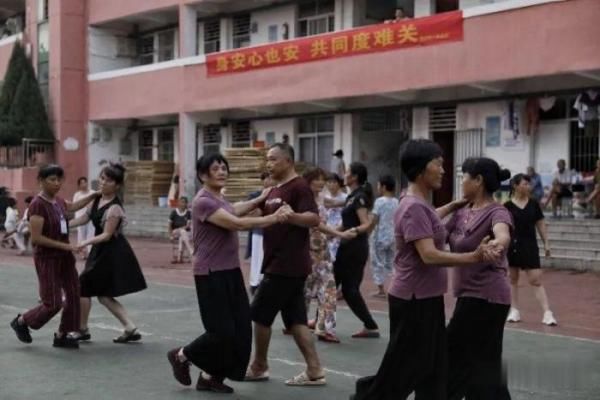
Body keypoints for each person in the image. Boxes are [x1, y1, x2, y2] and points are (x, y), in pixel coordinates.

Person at [351, 140, 499, 400]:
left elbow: (429, 218)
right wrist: (473, 256)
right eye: (438, 164)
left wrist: (453, 206)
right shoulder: (413, 206)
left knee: (433, 369)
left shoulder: (415, 201)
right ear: (421, 169)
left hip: (424, 297)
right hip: (414, 300)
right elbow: (429, 256)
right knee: (404, 371)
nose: (443, 170)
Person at [166, 153, 290, 394]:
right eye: (216, 168)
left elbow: (234, 209)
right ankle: (181, 355)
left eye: (224, 167)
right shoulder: (203, 201)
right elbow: (235, 222)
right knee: (221, 331)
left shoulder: (218, 198)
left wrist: (259, 200)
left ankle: (210, 377)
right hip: (210, 273)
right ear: (203, 175)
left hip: (230, 271)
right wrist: (273, 217)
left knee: (241, 329)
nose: (222, 171)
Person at [246, 143, 326, 386]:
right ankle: (314, 370)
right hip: (279, 263)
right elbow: (257, 214)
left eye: (273, 159)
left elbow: (313, 218)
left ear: (288, 161)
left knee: (260, 315)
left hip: (286, 265)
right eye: (267, 160)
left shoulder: (299, 186)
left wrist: (292, 216)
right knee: (296, 321)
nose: (268, 164)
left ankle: (259, 366)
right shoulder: (272, 190)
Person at [10, 164, 99, 349]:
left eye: (59, 179)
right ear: (41, 181)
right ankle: (21, 321)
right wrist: (66, 245)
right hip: (47, 258)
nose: (57, 183)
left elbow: (73, 206)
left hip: (64, 256)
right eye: (52, 180)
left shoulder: (58, 201)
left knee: (75, 293)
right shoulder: (37, 204)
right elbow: (36, 238)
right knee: (53, 303)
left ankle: (63, 334)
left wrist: (92, 195)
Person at [445, 157, 513, 400]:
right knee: (485, 363)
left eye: (464, 177)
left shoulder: (497, 211)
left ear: (478, 180)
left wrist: (497, 244)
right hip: (469, 295)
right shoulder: (462, 213)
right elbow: (431, 231)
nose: (462, 182)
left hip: (487, 296)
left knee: (454, 353)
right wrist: (452, 205)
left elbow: (502, 232)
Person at [70, 163, 147, 343]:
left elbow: (106, 235)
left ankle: (82, 329)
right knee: (103, 294)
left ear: (117, 185)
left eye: (109, 180)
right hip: (101, 250)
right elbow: (84, 218)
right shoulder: (97, 199)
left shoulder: (115, 208)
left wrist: (84, 242)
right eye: (102, 178)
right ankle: (130, 327)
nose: (103, 183)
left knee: (83, 286)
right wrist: (65, 226)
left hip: (112, 251)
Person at [303, 167, 357, 344]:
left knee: (327, 289)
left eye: (322, 179)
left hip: (323, 251)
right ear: (308, 181)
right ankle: (298, 323)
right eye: (317, 179)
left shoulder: (321, 198)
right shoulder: (304, 201)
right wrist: (340, 234)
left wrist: (356, 199)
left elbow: (337, 203)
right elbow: (317, 224)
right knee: (308, 290)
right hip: (308, 251)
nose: (321, 182)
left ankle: (323, 328)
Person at [333, 162, 380, 338]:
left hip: (355, 248)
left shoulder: (359, 197)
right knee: (332, 282)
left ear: (354, 177)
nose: (343, 175)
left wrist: (354, 232)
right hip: (346, 246)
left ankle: (371, 325)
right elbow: (346, 223)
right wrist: (330, 233)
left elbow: (366, 223)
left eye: (346, 172)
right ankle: (320, 319)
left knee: (349, 290)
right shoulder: (351, 197)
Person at [505, 174, 557, 326]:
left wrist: (546, 243)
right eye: (525, 184)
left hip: (530, 246)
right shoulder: (507, 206)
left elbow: (541, 225)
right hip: (512, 247)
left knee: (535, 279)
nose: (528, 186)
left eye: (529, 184)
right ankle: (514, 310)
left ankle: (547, 313)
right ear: (515, 186)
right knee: (513, 279)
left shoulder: (534, 204)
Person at [369, 175, 399, 298]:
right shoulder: (397, 201)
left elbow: (375, 219)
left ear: (384, 187)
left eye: (378, 185)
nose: (377, 187)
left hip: (379, 237)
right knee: (391, 262)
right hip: (392, 236)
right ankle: (395, 286)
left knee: (377, 262)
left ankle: (381, 289)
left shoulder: (379, 201)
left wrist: (368, 230)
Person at [245, 172, 274, 295]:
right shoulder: (255, 195)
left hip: (273, 231)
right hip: (259, 232)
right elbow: (251, 213)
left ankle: (265, 283)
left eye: (271, 178)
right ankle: (254, 284)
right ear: (262, 180)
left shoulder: (278, 194)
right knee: (257, 259)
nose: (269, 180)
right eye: (267, 178)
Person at [324, 173, 347, 262]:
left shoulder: (346, 198)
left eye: (334, 182)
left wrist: (335, 232)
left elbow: (347, 218)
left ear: (339, 183)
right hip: (327, 232)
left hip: (341, 231)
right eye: (329, 182)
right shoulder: (324, 197)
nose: (331, 185)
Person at [73, 177, 95, 259]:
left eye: (84, 182)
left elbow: (96, 203)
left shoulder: (93, 193)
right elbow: (74, 206)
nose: (83, 184)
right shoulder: (77, 195)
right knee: (81, 235)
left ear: (87, 183)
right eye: (81, 183)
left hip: (90, 217)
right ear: (79, 185)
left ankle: (90, 252)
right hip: (80, 217)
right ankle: (83, 252)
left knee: (91, 234)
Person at [168, 196, 193, 263]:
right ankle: (190, 250)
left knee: (182, 236)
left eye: (184, 202)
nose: (183, 204)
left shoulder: (188, 213)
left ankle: (179, 257)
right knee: (182, 232)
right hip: (175, 232)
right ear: (179, 203)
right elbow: (169, 225)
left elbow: (188, 226)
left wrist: (182, 229)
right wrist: (170, 235)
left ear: (186, 204)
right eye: (181, 202)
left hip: (185, 233)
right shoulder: (174, 212)